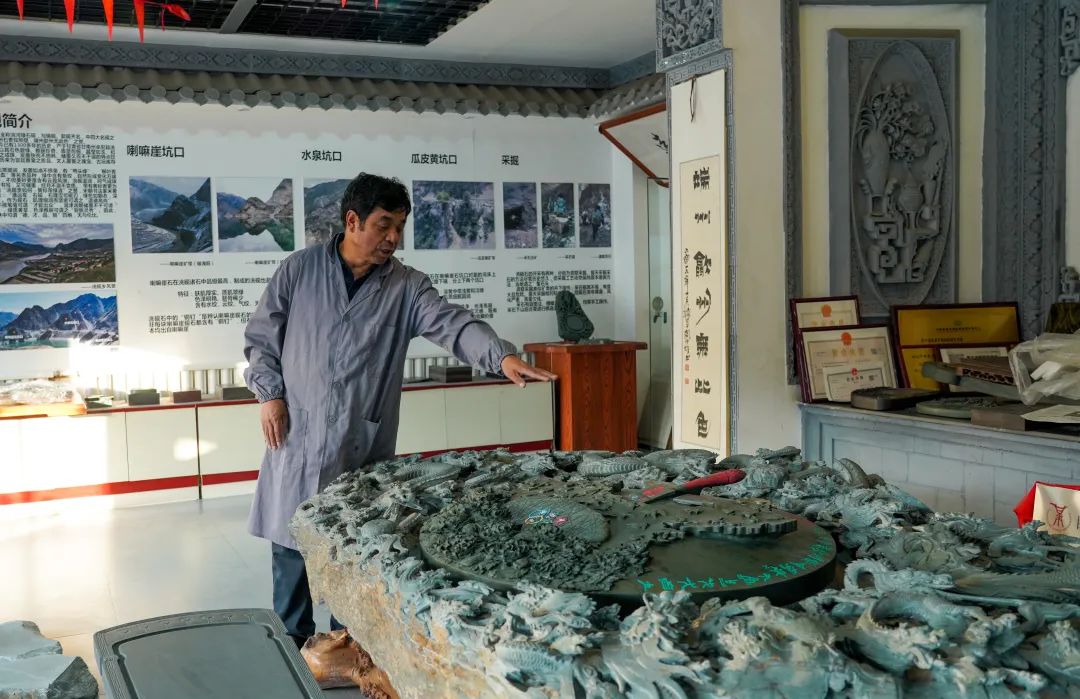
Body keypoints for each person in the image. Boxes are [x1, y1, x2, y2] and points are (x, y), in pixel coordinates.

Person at [242, 172, 556, 648]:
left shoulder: (406, 286)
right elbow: (262, 338)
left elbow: (453, 323)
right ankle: (292, 646)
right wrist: (269, 395)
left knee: (355, 545)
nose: (393, 238)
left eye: (400, 227)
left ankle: (348, 646)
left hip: (358, 439)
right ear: (352, 221)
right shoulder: (299, 270)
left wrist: (500, 356)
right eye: (384, 225)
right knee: (290, 546)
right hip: (297, 431)